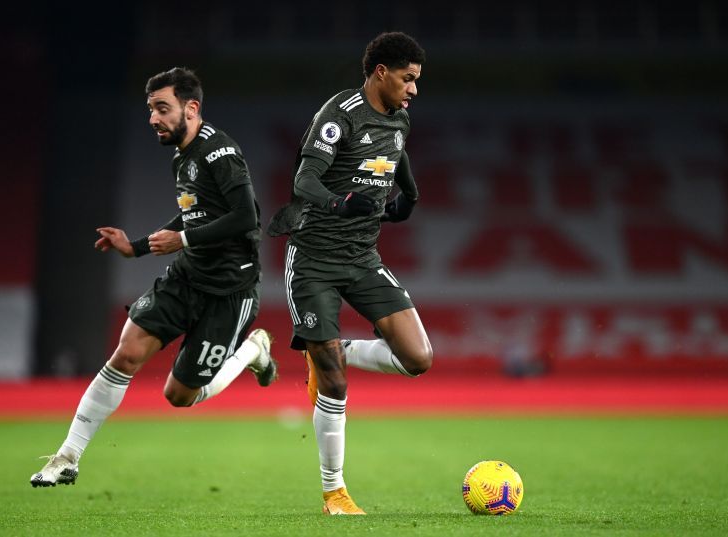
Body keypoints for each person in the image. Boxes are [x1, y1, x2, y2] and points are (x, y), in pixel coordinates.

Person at [31, 67, 277, 487]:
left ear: (191, 108)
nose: (153, 119)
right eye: (150, 109)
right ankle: (67, 456)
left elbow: (246, 217)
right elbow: (194, 212)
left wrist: (182, 238)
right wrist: (138, 246)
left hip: (229, 291)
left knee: (178, 396)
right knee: (125, 355)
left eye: (162, 108)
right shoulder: (181, 154)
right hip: (186, 277)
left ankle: (251, 352)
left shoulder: (221, 154)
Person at [268, 32, 432, 515]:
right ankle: (334, 493)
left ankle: (333, 349)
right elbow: (303, 180)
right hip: (314, 260)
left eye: (417, 80)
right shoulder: (339, 115)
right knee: (335, 385)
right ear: (381, 72)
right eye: (408, 78)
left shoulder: (399, 117)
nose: (414, 89)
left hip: (363, 259)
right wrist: (341, 201)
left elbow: (397, 150)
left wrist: (410, 197)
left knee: (418, 358)